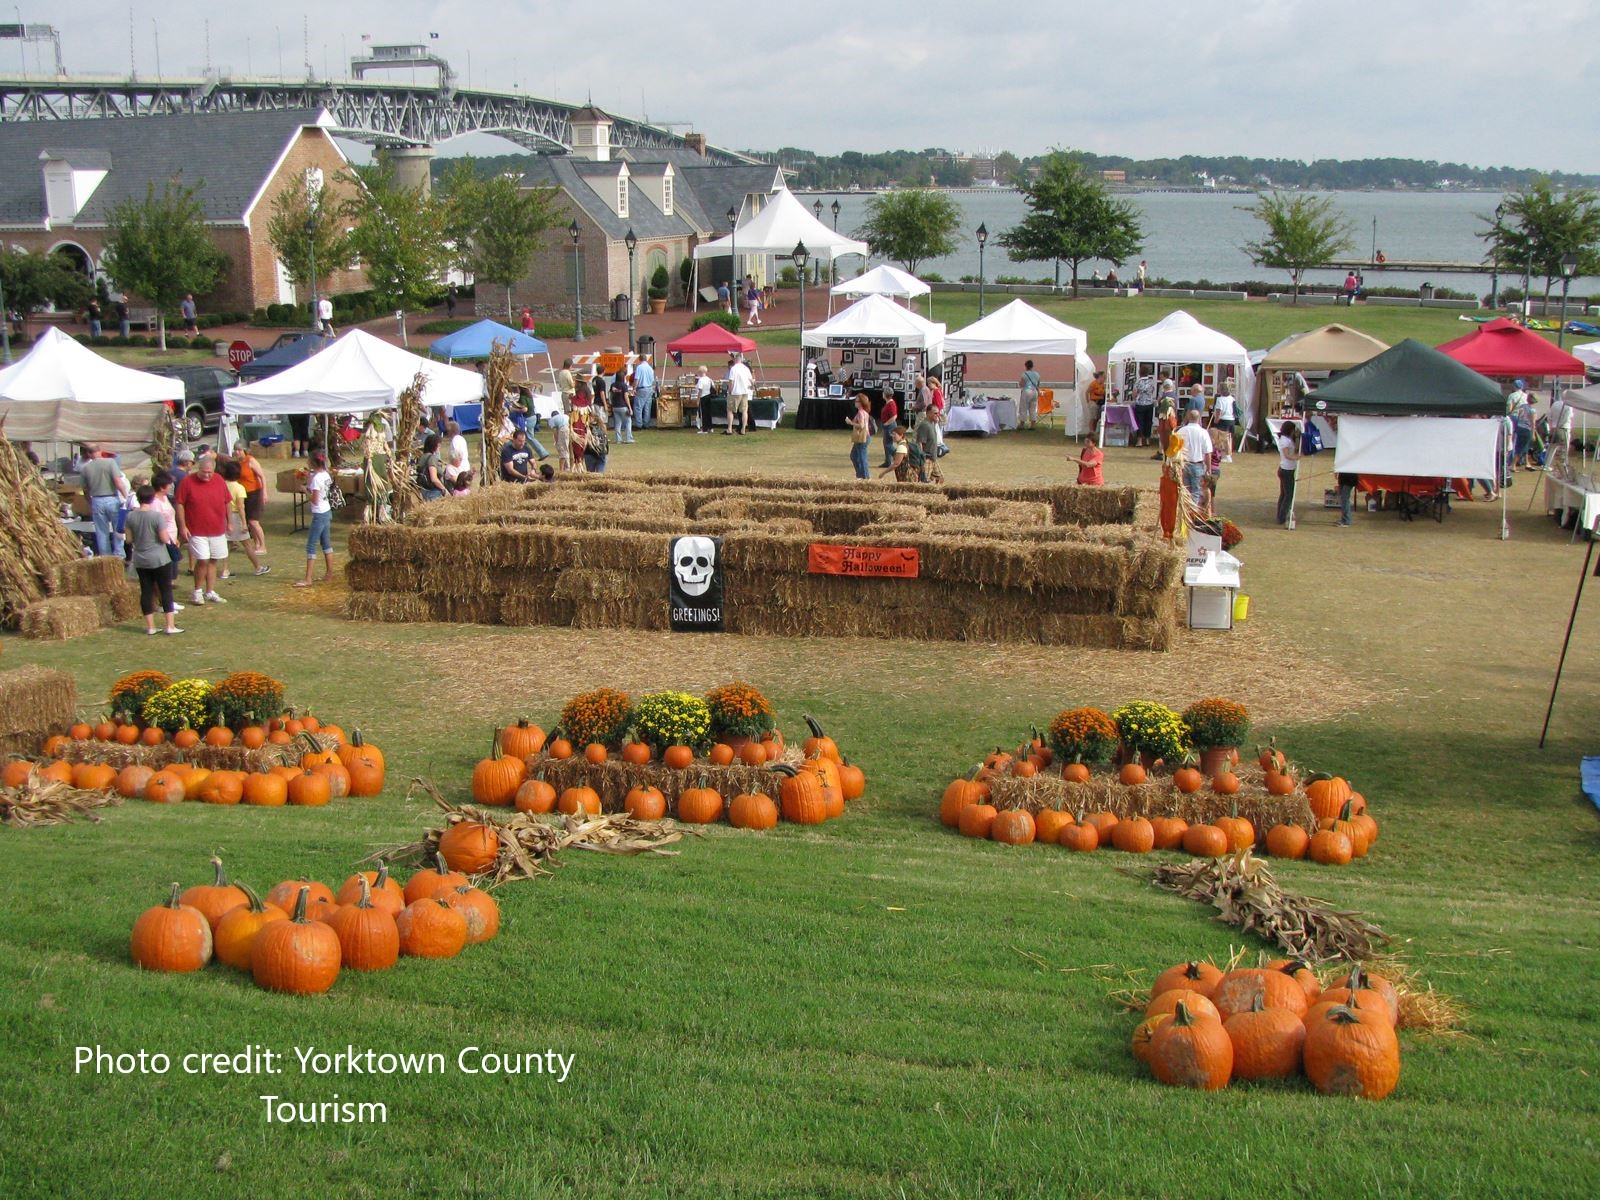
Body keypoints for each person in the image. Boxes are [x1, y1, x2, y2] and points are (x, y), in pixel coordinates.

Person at [124, 485, 182, 635]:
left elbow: (129, 539)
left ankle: (150, 627)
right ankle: (170, 625)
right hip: (159, 558)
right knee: (165, 590)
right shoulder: (157, 517)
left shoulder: (130, 516)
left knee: (146, 591)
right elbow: (163, 538)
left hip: (140, 558)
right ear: (152, 498)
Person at [175, 453, 231, 605]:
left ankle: (210, 591)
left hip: (217, 528)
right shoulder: (187, 482)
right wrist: (182, 526)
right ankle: (197, 591)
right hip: (197, 529)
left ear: (214, 471)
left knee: (213, 559)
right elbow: (179, 503)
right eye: (203, 472)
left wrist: (229, 522)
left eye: (209, 473)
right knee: (203, 559)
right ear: (198, 469)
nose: (206, 475)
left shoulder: (219, 480)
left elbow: (227, 501)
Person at [218, 460, 269, 576]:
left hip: (224, 516)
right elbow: (241, 507)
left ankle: (225, 570)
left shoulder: (222, 485)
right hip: (235, 517)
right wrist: (244, 523)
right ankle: (258, 567)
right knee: (247, 544)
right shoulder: (239, 488)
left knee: (227, 544)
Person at [81, 445, 130, 558]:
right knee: (118, 529)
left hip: (96, 499)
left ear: (88, 454)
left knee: (101, 531)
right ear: (100, 451)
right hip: (112, 498)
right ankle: (119, 555)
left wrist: (89, 501)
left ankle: (106, 557)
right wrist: (126, 496)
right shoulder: (110, 463)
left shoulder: (86, 468)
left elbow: (85, 489)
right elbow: (118, 482)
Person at [296, 450, 335, 588]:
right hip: (327, 511)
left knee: (311, 545)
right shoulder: (325, 474)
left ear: (313, 462)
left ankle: (308, 578)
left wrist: (305, 490)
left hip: (319, 514)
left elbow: (315, 500)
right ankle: (330, 573)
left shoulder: (317, 479)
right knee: (326, 543)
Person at [1175, 410, 1214, 508]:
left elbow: (1175, 449)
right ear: (1199, 419)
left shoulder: (1181, 431)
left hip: (1184, 464)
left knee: (1186, 491)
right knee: (1196, 492)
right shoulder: (1203, 432)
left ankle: (1187, 512)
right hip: (1197, 464)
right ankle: (1193, 514)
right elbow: (1208, 452)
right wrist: (1209, 469)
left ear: (1188, 417)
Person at [234, 447, 268, 554]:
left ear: (244, 450)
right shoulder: (237, 463)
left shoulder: (251, 460)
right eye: (235, 450)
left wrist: (264, 492)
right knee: (249, 521)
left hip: (255, 493)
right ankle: (256, 544)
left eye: (239, 450)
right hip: (244, 494)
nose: (237, 452)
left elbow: (262, 476)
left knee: (254, 521)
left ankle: (263, 545)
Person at [1276, 419, 1302, 526]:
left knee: (1284, 494)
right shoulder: (1284, 441)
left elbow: (1295, 448)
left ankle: (1280, 515)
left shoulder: (1287, 439)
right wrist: (1298, 458)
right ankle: (1282, 516)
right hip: (1286, 470)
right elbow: (1287, 455)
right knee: (1288, 495)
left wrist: (1297, 437)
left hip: (1287, 469)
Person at [911, 410, 942, 483]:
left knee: (940, 478)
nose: (937, 415)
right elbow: (920, 442)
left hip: (933, 458)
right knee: (924, 482)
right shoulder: (924, 425)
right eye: (935, 413)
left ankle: (935, 493)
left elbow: (944, 421)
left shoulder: (932, 424)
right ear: (928, 413)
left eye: (938, 413)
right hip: (927, 458)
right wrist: (922, 459)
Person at [726, 353, 754, 435]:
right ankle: (743, 429)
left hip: (735, 392)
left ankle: (729, 428)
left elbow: (731, 381)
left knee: (730, 410)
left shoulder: (733, 369)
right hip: (745, 392)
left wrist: (729, 391)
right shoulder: (746, 368)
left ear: (735, 359)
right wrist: (752, 388)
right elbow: (751, 380)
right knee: (744, 411)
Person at [1209, 383, 1238, 462]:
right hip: (1231, 420)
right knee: (1227, 438)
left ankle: (1223, 455)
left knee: (1219, 438)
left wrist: (1216, 420)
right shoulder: (1232, 398)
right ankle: (1228, 455)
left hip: (1223, 420)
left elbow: (1219, 411)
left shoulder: (1220, 399)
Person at [846, 394, 872, 480]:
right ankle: (860, 475)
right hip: (863, 437)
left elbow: (861, 425)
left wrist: (850, 423)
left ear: (861, 403)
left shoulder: (861, 412)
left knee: (861, 457)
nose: (855, 403)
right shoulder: (864, 412)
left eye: (856, 401)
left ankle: (865, 477)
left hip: (862, 437)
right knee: (854, 455)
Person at [416, 434, 447, 501]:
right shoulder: (432, 458)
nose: (440, 447)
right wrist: (444, 489)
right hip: (433, 492)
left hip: (424, 490)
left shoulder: (422, 457)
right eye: (438, 445)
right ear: (434, 446)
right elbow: (434, 479)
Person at [608, 368, 634, 443]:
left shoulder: (613, 385)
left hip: (615, 406)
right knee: (628, 422)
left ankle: (618, 439)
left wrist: (611, 403)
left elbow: (610, 395)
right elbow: (626, 397)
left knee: (617, 423)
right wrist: (630, 407)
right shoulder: (624, 385)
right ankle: (629, 438)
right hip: (623, 406)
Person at [632, 354, 656, 431]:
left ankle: (639, 424)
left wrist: (634, 388)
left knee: (638, 407)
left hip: (642, 388)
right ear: (646, 359)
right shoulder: (650, 368)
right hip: (649, 388)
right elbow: (652, 380)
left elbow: (637, 379)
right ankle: (646, 423)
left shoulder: (639, 367)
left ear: (639, 359)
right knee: (647, 407)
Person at [443, 420, 470, 486]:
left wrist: (452, 468)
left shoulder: (455, 440)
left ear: (452, 431)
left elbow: (456, 456)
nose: (447, 433)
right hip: (464, 466)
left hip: (459, 468)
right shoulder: (461, 438)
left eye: (448, 431)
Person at [1132, 373, 1156, 448]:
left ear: (1140, 373)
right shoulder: (1151, 381)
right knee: (1148, 421)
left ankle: (1139, 441)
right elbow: (1152, 391)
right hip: (1149, 403)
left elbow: (1134, 393)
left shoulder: (1138, 381)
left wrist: (1135, 397)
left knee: (1140, 422)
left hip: (1140, 404)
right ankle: (1147, 440)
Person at [1018, 360, 1043, 430]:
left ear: (1026, 366)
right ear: (1032, 366)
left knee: (1023, 407)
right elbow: (1038, 384)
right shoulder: (1037, 374)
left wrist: (1020, 384)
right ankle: (1033, 424)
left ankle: (1022, 424)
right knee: (1033, 408)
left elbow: (1021, 384)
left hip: (1027, 391)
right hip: (1035, 391)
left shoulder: (1024, 374)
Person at [878, 389, 899, 466]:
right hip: (887, 425)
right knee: (886, 443)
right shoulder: (889, 403)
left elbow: (894, 416)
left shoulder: (891, 404)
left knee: (888, 444)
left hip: (890, 426)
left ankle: (897, 456)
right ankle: (888, 461)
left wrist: (886, 423)